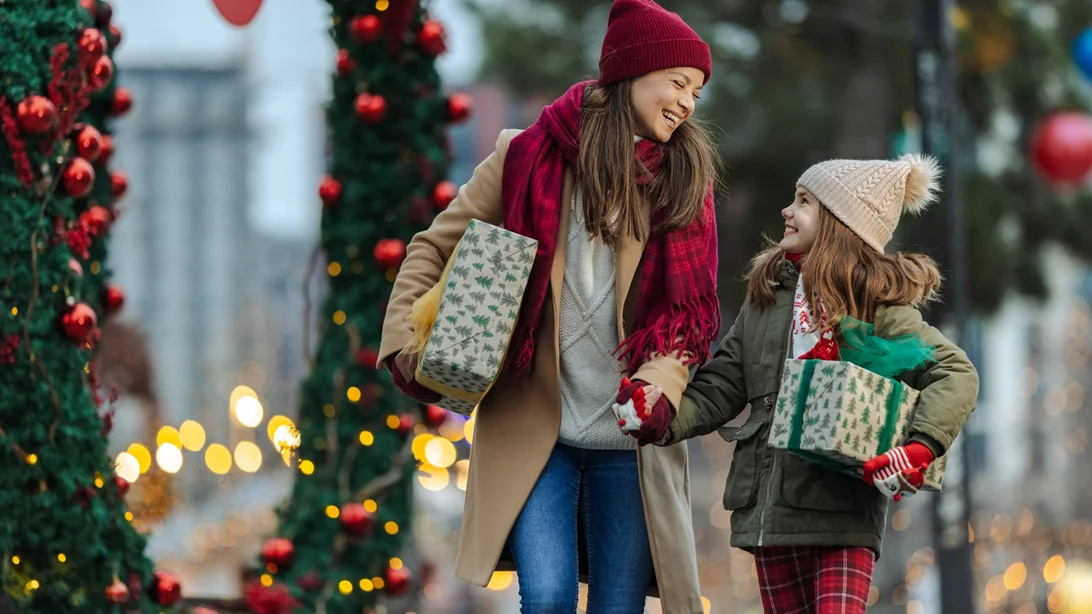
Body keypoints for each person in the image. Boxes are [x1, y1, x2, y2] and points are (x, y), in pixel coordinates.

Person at [377, 1, 721, 611]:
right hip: (537, 429)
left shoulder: (683, 182)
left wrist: (657, 385)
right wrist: (405, 341)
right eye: (678, 82)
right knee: (549, 597)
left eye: (695, 91)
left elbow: (686, 320)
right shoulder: (523, 156)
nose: (687, 103)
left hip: (630, 441)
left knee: (618, 605)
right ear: (633, 72)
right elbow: (431, 247)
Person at [615, 154, 980, 613]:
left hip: (842, 516)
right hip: (769, 516)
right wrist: (661, 417)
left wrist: (921, 446)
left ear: (838, 223)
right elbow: (724, 385)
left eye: (804, 201)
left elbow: (956, 372)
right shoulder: (765, 298)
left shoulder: (877, 304)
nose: (787, 211)